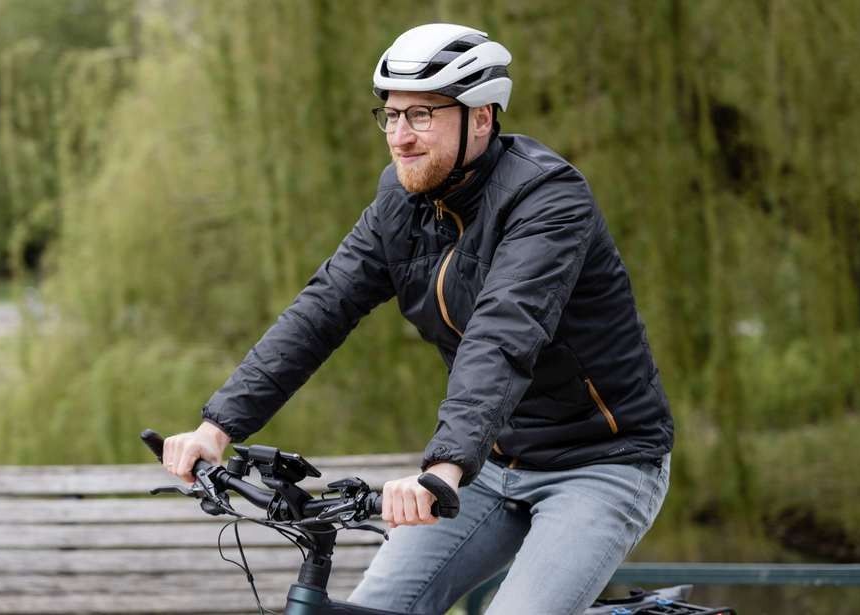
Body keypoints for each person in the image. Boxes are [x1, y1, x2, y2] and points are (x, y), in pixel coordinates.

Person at [159, 23, 674, 615]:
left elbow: (504, 333)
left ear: (480, 118)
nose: (400, 137)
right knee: (376, 606)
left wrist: (444, 465)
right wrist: (218, 427)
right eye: (392, 114)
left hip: (599, 464)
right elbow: (322, 309)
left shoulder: (549, 199)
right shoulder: (400, 204)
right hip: (492, 460)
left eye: (423, 115)